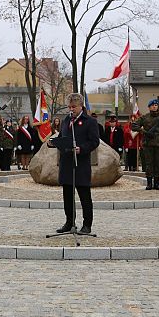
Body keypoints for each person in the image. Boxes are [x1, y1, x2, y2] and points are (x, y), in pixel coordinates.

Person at [49, 93, 99, 234]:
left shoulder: (90, 122)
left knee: (84, 196)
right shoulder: (66, 120)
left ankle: (87, 225)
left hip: (81, 164)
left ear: (81, 106)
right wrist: (53, 143)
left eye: (74, 107)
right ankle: (69, 222)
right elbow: (61, 137)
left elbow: (94, 141)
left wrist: (81, 149)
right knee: (68, 196)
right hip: (66, 164)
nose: (71, 109)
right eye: (69, 107)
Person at [132, 99, 159, 189]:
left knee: (158, 164)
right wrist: (143, 131)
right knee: (148, 164)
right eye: (152, 105)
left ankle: (157, 183)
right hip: (148, 144)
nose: (154, 106)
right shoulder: (144, 117)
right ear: (149, 107)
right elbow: (134, 125)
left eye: (156, 105)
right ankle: (149, 183)